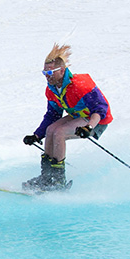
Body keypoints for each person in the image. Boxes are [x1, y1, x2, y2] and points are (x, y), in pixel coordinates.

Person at [22, 43, 112, 190]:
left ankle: (58, 181)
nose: (47, 77)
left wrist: (89, 127)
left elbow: (100, 109)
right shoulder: (52, 90)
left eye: (50, 73)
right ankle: (46, 177)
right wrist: (37, 136)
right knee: (51, 130)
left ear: (62, 70)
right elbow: (52, 116)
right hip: (79, 116)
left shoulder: (80, 85)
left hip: (97, 121)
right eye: (44, 73)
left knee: (59, 133)